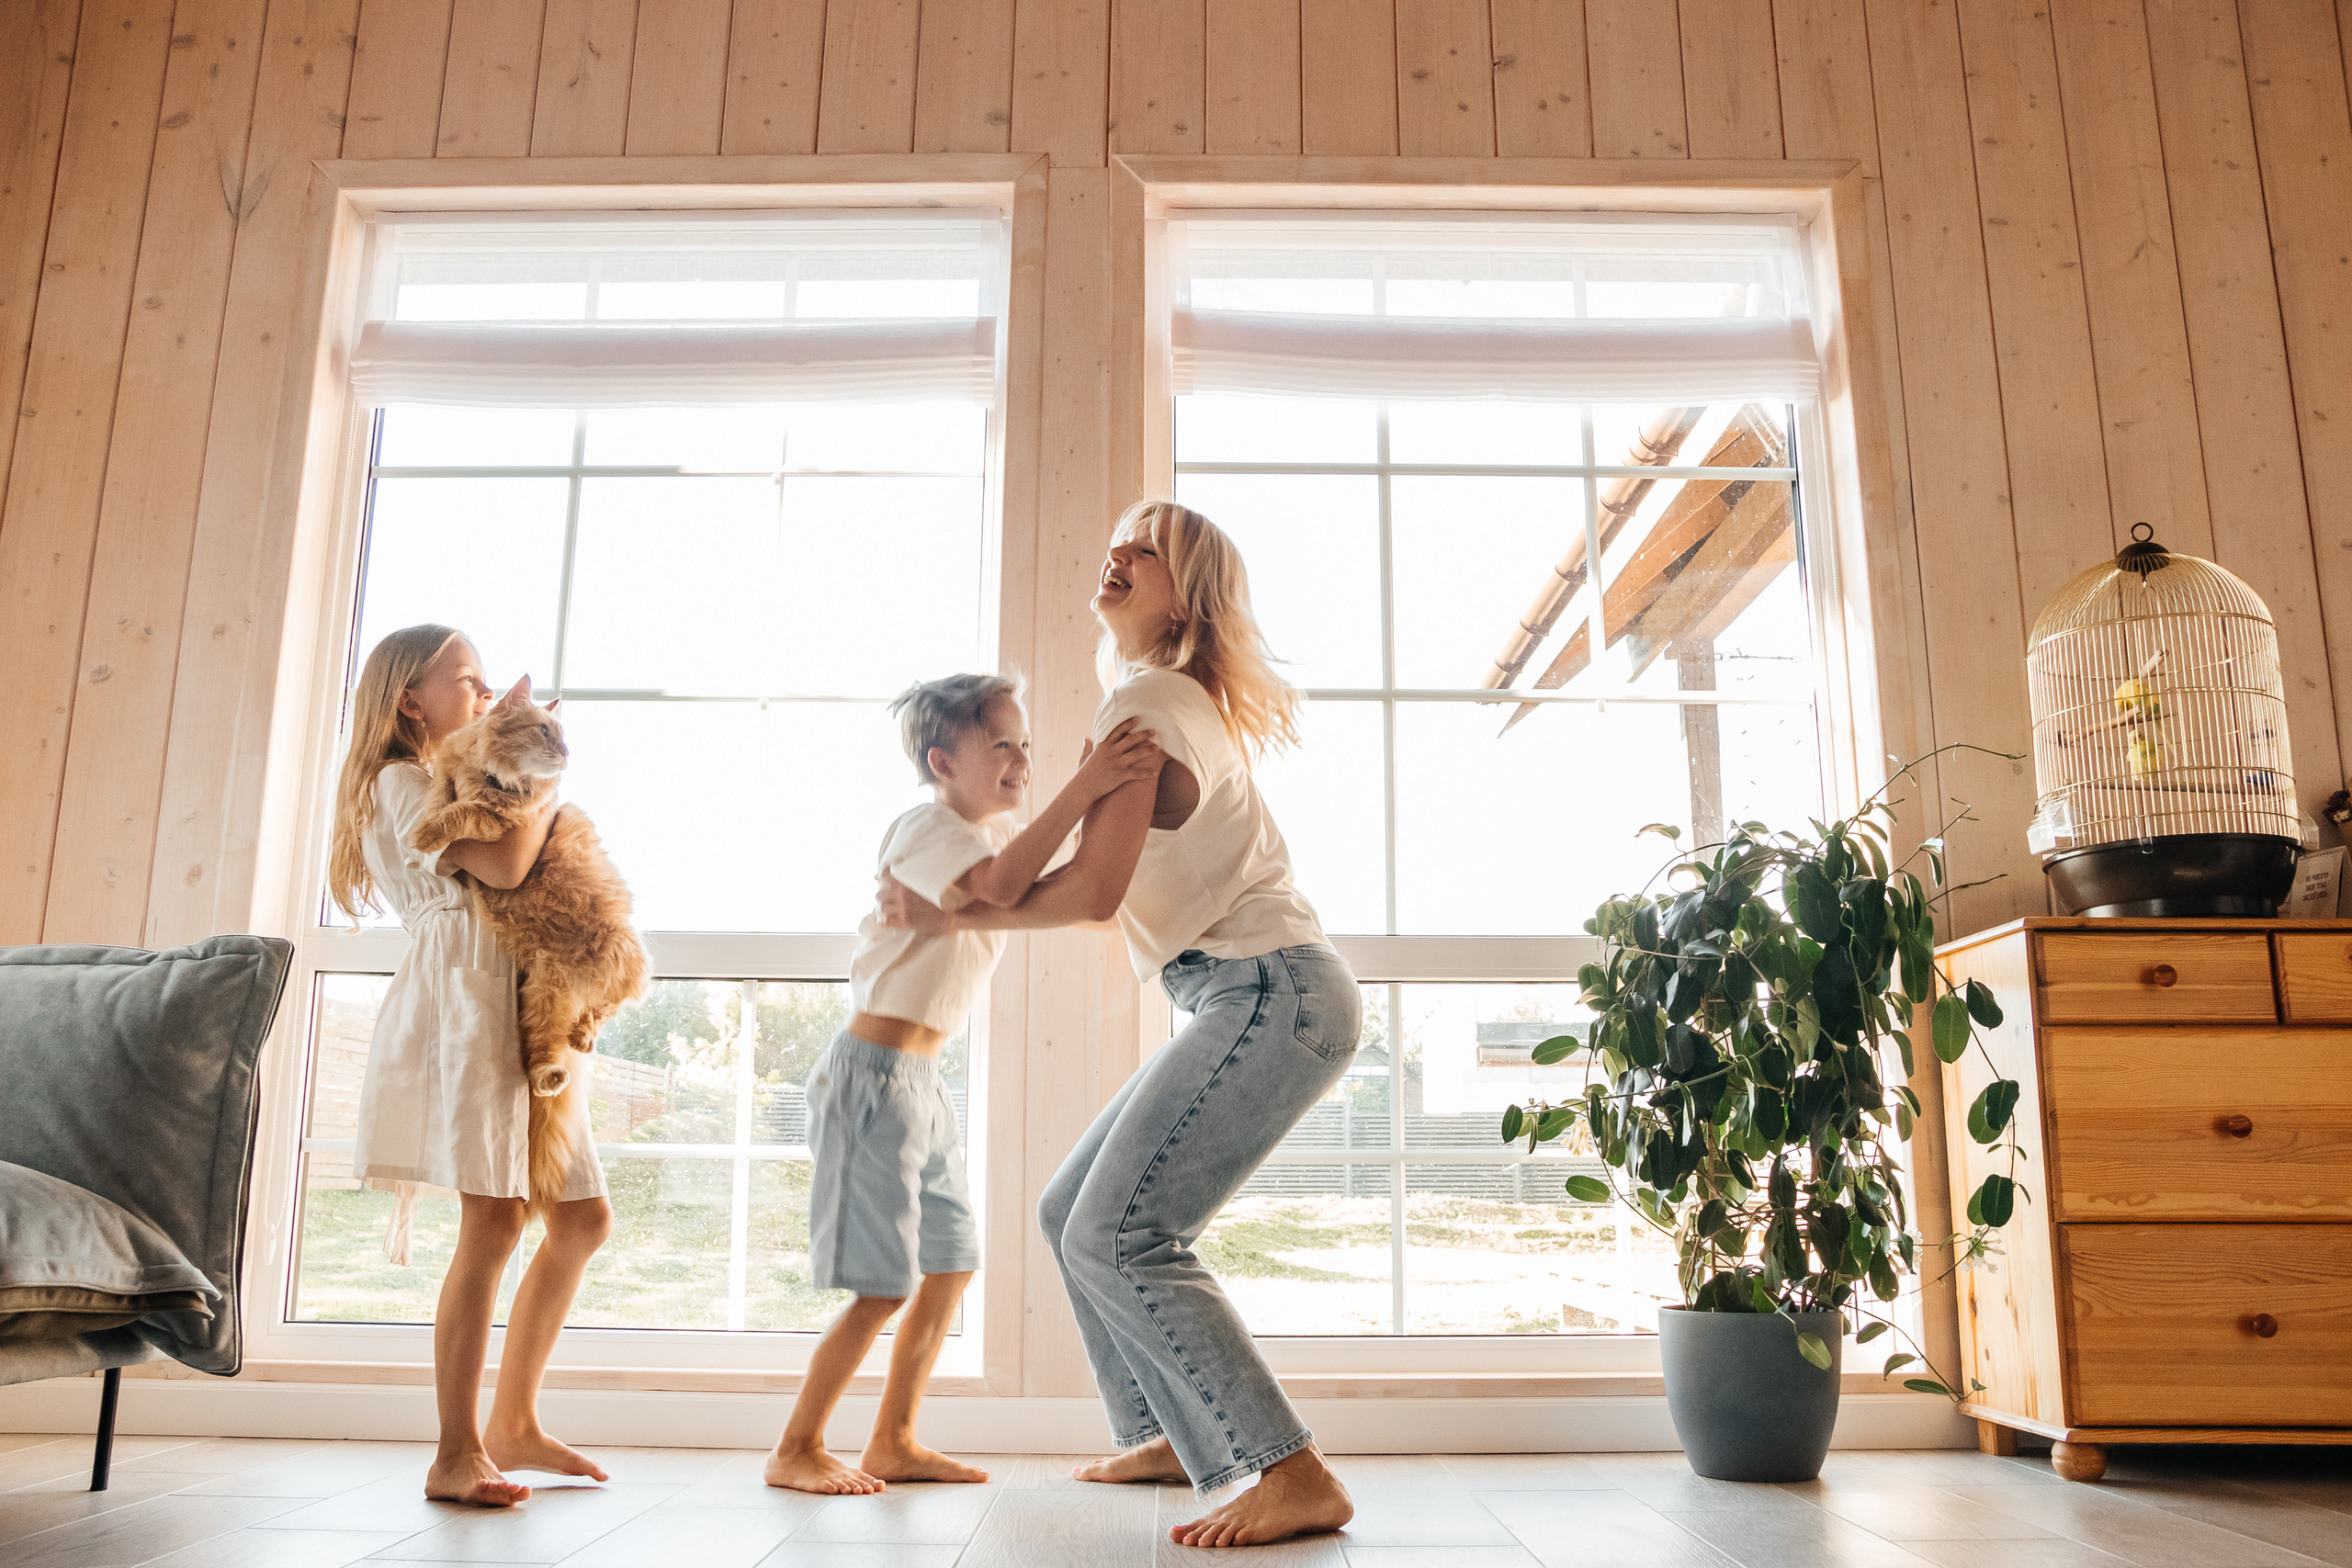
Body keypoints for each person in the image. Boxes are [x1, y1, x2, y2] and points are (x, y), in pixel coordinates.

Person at [878, 501, 1363, 1549]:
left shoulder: (1149, 701)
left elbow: (1091, 892)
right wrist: (970, 901)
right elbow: (1081, 884)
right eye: (1118, 539)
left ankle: (1288, 1468)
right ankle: (1166, 1434)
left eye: (1143, 549)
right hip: (1249, 990)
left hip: (1268, 990)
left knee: (1122, 1231)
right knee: (1070, 1213)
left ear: (1183, 594)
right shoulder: (1153, 697)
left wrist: (958, 903)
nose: (1118, 553)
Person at [765, 673, 1164, 1495]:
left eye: (1027, 744)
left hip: (922, 1083)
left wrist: (1098, 811)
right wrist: (1087, 784)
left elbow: (1073, 899)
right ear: (944, 761)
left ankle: (893, 1440)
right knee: (881, 1285)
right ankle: (796, 1445)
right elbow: (999, 889)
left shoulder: (983, 841)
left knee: (950, 1266)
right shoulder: (928, 826)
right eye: (1003, 745)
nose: (1022, 759)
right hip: (871, 1081)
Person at [328, 625, 611, 1507]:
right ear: (411, 699)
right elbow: (509, 858)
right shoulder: (401, 782)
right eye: (470, 680)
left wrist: (516, 762)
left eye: (491, 684)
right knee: (493, 1220)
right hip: (466, 997)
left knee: (582, 1217)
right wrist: (535, 764)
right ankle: (456, 1451)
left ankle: (514, 1422)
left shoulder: (450, 778)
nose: (486, 694)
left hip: (514, 996)